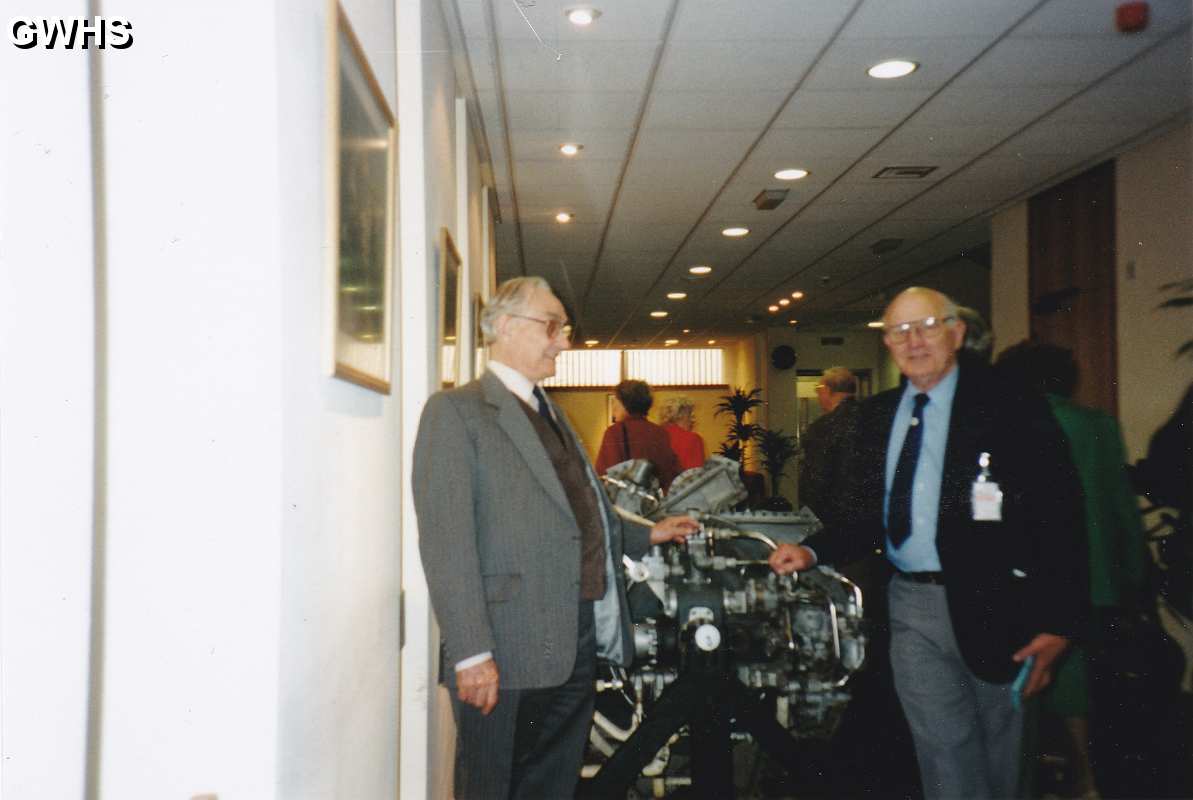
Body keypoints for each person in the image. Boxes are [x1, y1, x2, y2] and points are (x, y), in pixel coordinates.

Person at [768, 287, 1085, 799]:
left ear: (956, 333)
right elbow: (868, 513)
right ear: (887, 344)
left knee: (1003, 758)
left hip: (999, 606)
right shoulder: (877, 416)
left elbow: (1060, 516)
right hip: (911, 604)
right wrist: (813, 551)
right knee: (941, 751)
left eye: (928, 326)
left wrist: (1057, 624)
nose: (913, 341)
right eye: (899, 331)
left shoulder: (1007, 405)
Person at [412, 277, 699, 800]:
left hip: (575, 635)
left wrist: (648, 532)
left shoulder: (552, 412)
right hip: (506, 644)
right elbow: (445, 542)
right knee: (494, 786)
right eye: (552, 327)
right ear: (503, 326)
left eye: (562, 330)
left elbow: (582, 512)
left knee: (552, 784)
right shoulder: (456, 412)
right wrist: (472, 652)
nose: (564, 342)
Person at [995, 340, 1149, 800]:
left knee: (1022, 678)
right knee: (1075, 678)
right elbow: (1122, 508)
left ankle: (1030, 776)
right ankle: (1086, 777)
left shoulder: (1006, 424)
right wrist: (1134, 577)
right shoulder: (1099, 425)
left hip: (1025, 576)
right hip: (1093, 578)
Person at [798, 366, 860, 525]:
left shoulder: (821, 428)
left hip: (829, 514)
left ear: (827, 390)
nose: (818, 394)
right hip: (863, 513)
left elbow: (815, 478)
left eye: (818, 389)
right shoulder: (871, 418)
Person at [595, 379, 683, 491]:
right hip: (654, 502)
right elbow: (671, 474)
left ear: (625, 404)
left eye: (616, 401)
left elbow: (604, 475)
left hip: (625, 503)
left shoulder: (615, 432)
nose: (613, 407)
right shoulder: (660, 433)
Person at [658, 395, 706, 472]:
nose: (694, 420)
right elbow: (695, 476)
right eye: (691, 415)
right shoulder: (693, 439)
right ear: (680, 416)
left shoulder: (655, 435)